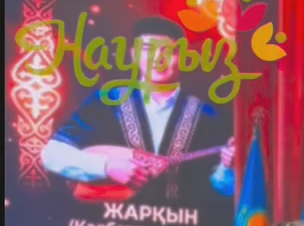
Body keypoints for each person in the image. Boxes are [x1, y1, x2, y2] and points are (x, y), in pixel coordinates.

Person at [41, 16, 237, 201]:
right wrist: (106, 167)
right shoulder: (108, 100)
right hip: (109, 221)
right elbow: (52, 154)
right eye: (148, 50)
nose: (158, 59)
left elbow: (222, 188)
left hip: (179, 222)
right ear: (134, 55)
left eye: (169, 51)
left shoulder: (207, 114)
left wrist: (228, 167)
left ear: (183, 56)